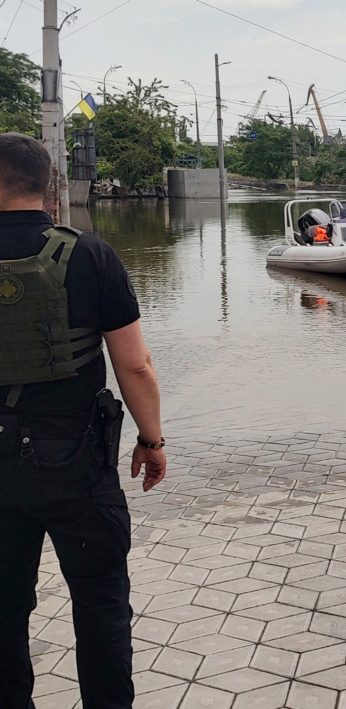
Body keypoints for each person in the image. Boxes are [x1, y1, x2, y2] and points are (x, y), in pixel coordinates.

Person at [0, 133, 166, 708]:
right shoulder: (91, 255)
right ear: (49, 187)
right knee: (99, 604)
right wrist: (151, 439)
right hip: (76, 463)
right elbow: (135, 366)